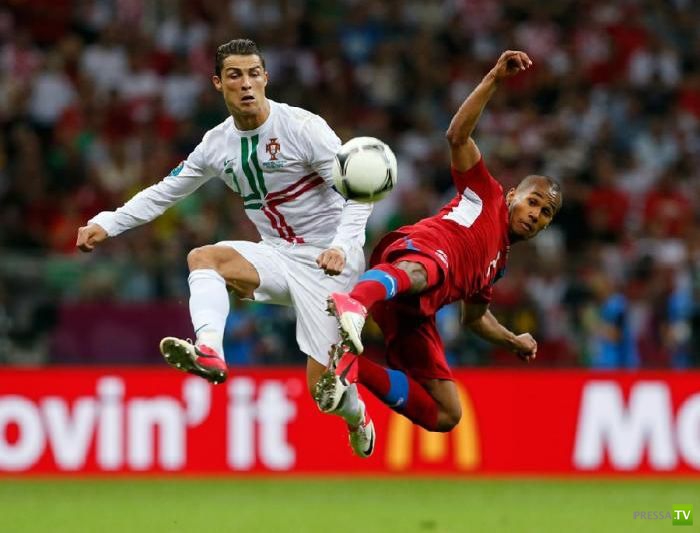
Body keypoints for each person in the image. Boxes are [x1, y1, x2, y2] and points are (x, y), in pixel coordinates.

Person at [76, 39, 374, 454]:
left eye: (254, 73)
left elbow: (360, 191)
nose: (246, 83)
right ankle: (210, 351)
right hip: (277, 254)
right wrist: (107, 222)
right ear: (218, 83)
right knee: (203, 258)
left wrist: (341, 246)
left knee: (322, 393)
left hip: (330, 262)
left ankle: (357, 416)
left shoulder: (303, 128)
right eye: (235, 75)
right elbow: (164, 192)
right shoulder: (216, 145)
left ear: (266, 77)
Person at [314, 50, 563, 457]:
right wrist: (494, 79)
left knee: (447, 413)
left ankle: (351, 368)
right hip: (417, 254)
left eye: (545, 213)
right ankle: (354, 303)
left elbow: (475, 318)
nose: (535, 214)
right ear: (513, 196)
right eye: (532, 202)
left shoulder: (495, 267)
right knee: (426, 271)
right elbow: (457, 137)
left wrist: (512, 341)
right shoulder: (487, 193)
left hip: (412, 309)